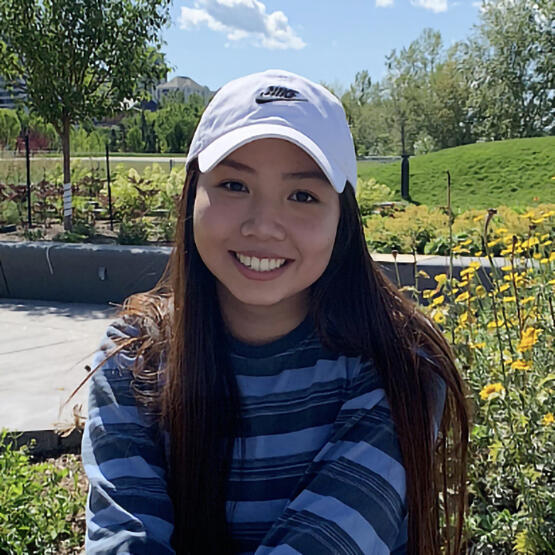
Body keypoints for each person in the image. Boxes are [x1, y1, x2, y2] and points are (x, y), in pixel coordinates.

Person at [81, 69, 469, 555]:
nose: (264, 226)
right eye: (234, 185)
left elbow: (326, 543)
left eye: (302, 195)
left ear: (342, 221)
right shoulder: (130, 361)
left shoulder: (399, 365)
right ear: (191, 195)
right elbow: (125, 540)